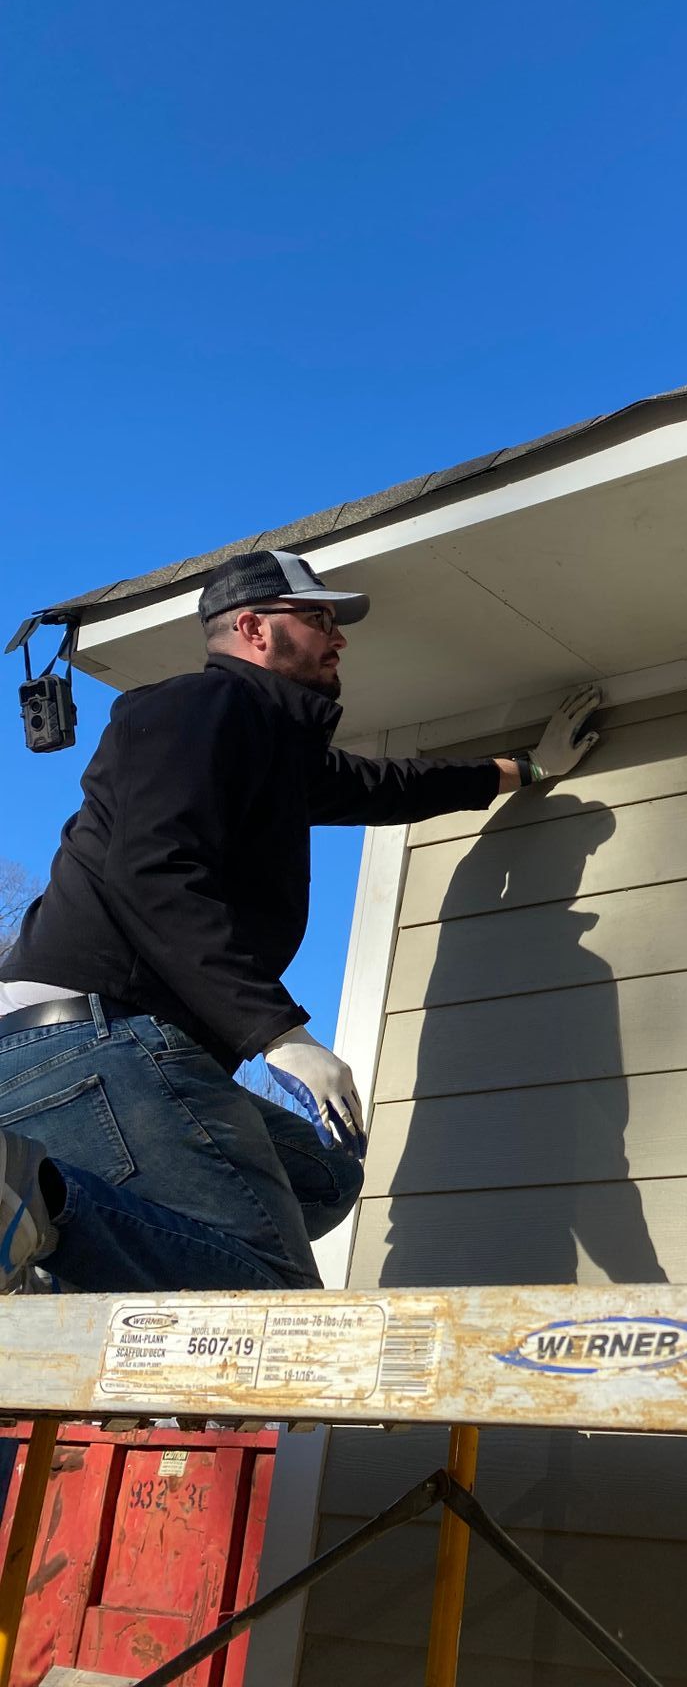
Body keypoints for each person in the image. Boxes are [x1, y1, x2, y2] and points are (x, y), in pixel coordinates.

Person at [0, 548, 601, 1293]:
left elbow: (394, 787)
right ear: (252, 627)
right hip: (91, 1038)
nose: (338, 637)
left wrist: (532, 769)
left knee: (320, 1178)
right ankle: (31, 1204)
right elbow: (151, 872)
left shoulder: (269, 751)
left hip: (100, 1052)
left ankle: (45, 1253)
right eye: (319, 619)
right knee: (268, 1303)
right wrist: (281, 1035)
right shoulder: (192, 706)